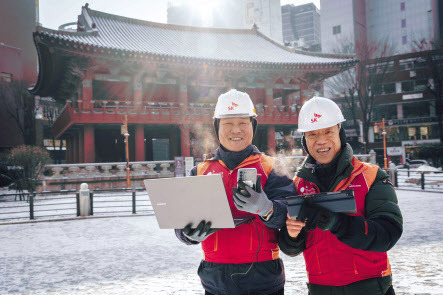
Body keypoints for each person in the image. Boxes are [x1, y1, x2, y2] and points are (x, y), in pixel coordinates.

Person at [175, 89, 297, 295]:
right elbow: (181, 222)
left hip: (264, 279)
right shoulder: (200, 171)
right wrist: (187, 234)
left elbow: (291, 216)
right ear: (217, 128)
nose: (236, 130)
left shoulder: (271, 168)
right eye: (228, 124)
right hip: (215, 281)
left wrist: (267, 208)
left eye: (243, 123)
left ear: (253, 126)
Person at [278, 96, 403, 295]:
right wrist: (292, 235)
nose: (321, 140)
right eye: (312, 134)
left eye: (328, 131)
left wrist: (337, 223)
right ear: (305, 141)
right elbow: (290, 248)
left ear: (340, 133)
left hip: (370, 288)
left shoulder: (371, 176)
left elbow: (388, 234)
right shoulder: (298, 185)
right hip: (321, 289)